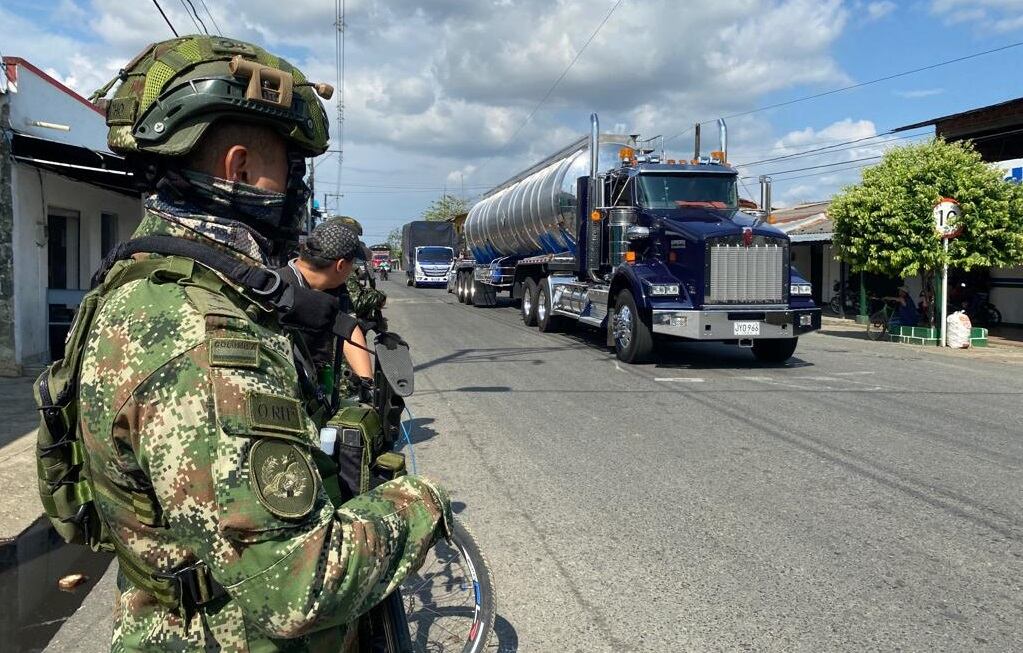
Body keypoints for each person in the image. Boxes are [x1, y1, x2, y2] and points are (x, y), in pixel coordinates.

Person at [80, 36, 450, 651]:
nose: (297, 186)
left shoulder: (143, 281)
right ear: (240, 167)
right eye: (292, 165)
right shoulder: (200, 334)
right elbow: (297, 584)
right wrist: (420, 501)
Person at [277, 219, 373, 381]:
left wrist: (367, 382)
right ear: (341, 265)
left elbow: (348, 328)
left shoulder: (333, 287)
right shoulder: (278, 289)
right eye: (353, 263)